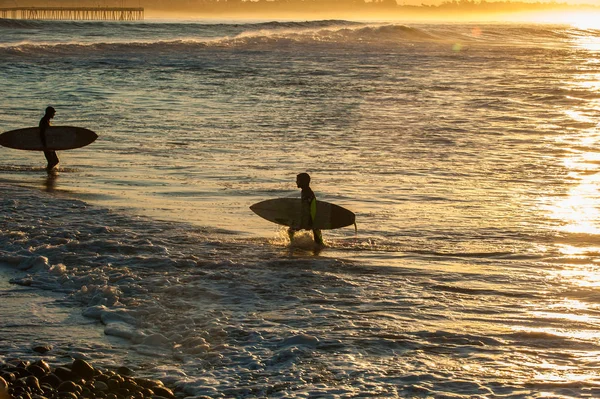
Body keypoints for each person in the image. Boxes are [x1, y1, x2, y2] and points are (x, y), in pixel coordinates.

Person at [288, 172, 324, 245]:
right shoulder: (307, 191)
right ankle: (320, 246)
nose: (296, 182)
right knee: (316, 233)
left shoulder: (306, 192)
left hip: (310, 218)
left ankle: (293, 244)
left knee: (290, 231)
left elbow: (307, 207)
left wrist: (307, 222)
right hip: (313, 218)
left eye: (298, 180)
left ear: (302, 182)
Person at [39, 106, 59, 171]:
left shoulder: (47, 120)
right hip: (46, 144)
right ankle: (48, 173)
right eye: (53, 113)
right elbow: (42, 133)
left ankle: (48, 171)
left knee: (55, 161)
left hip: (49, 144)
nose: (54, 114)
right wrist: (45, 146)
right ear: (49, 113)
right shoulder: (44, 121)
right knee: (52, 161)